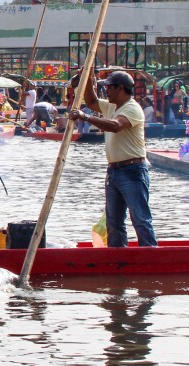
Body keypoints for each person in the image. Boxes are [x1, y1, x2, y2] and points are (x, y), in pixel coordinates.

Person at [67, 71, 157, 248]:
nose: (106, 90)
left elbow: (116, 126)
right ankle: (117, 259)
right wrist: (86, 81)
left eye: (109, 87)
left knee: (140, 219)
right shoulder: (111, 107)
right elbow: (92, 102)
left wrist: (85, 117)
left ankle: (150, 257)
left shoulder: (132, 108)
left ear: (121, 88)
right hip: (114, 171)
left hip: (133, 171)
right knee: (113, 223)